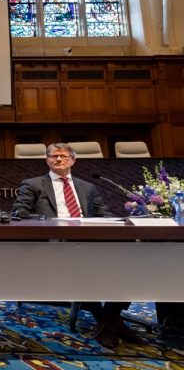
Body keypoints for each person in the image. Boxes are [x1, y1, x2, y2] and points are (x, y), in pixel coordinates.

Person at [11, 142, 142, 349]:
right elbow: (19, 213)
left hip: (89, 241)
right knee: (82, 264)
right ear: (47, 160)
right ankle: (109, 321)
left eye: (63, 156)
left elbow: (104, 214)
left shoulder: (87, 187)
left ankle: (108, 318)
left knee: (131, 260)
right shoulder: (34, 184)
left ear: (73, 160)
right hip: (55, 244)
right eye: (53, 156)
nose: (58, 159)